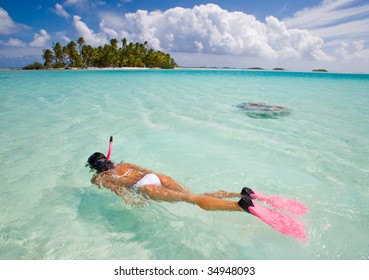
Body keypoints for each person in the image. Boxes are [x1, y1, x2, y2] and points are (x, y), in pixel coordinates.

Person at [86, 151, 308, 240]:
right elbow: (145, 170)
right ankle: (244, 192)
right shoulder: (124, 163)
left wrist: (131, 200)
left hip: (144, 188)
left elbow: (119, 192)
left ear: (95, 167)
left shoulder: (101, 178)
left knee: (192, 201)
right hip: (156, 177)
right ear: (108, 160)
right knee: (193, 194)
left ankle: (240, 205)